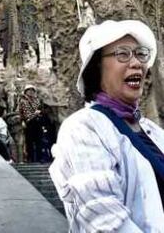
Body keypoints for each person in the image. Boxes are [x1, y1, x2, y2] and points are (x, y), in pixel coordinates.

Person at [49, 20, 164, 232]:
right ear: (97, 67)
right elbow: (103, 218)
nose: (137, 63)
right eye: (122, 54)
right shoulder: (82, 127)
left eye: (140, 54)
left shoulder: (153, 131)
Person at [18, 84, 44, 162]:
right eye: (29, 90)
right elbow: (20, 112)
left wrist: (40, 113)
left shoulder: (37, 100)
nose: (31, 92)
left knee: (39, 140)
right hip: (29, 122)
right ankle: (30, 158)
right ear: (26, 92)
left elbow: (42, 110)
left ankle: (40, 158)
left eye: (32, 90)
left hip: (37, 122)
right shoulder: (22, 101)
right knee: (29, 141)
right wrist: (22, 121)